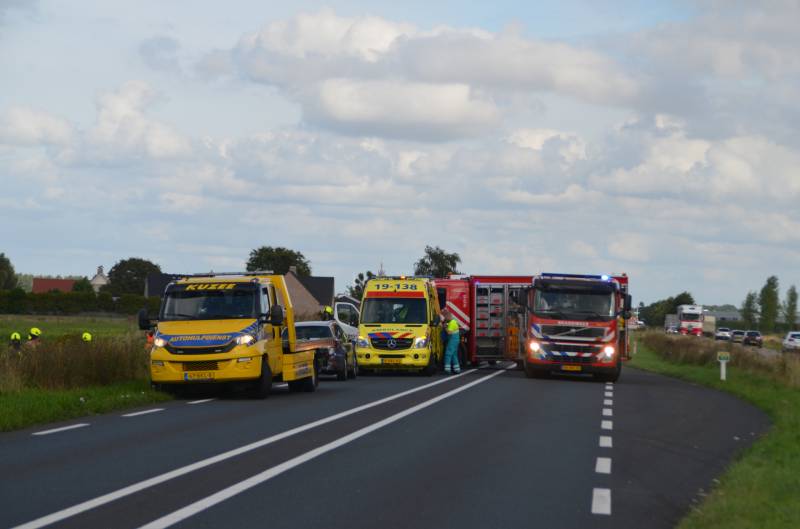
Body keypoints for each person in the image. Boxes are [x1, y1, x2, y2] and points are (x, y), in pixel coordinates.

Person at [441, 310, 461, 374]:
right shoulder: (453, 322)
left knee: (448, 354)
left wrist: (445, 327)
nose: (445, 319)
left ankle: (447, 370)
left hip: (452, 341)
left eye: (445, 317)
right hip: (455, 340)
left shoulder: (452, 323)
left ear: (447, 316)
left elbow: (449, 332)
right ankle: (457, 369)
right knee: (454, 355)